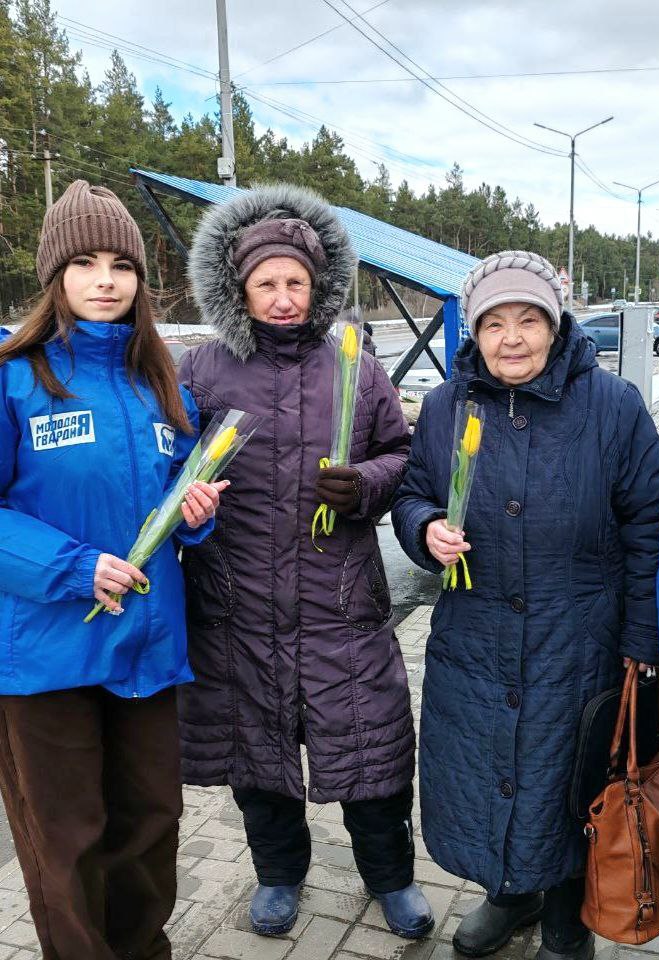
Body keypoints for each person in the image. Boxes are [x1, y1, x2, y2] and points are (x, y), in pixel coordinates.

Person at [393, 251, 659, 960]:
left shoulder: (612, 406)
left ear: (555, 325)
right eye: (494, 323)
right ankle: (511, 894)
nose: (511, 338)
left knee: (571, 788)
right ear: (474, 330)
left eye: (528, 320)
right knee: (491, 776)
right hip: (476, 640)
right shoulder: (446, 406)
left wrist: (643, 642)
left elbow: (651, 525)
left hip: (577, 643)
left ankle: (567, 929)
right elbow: (413, 493)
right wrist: (425, 528)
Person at [180, 183, 432, 939]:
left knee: (372, 757)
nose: (284, 298)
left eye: (297, 282)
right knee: (259, 762)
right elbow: (170, 467)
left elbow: (402, 456)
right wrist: (188, 503)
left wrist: (364, 485)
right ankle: (278, 874)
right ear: (239, 289)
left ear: (318, 287)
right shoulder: (201, 370)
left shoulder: (354, 365)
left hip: (340, 605)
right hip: (239, 608)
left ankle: (391, 878)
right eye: (267, 284)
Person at [0, 180, 224, 959]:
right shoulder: (15, 377)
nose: (106, 280)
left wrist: (196, 512)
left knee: (152, 823)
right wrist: (72, 568)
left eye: (122, 264)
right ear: (55, 275)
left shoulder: (159, 381)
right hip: (47, 655)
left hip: (145, 648)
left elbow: (176, 497)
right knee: (69, 840)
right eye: (85, 263)